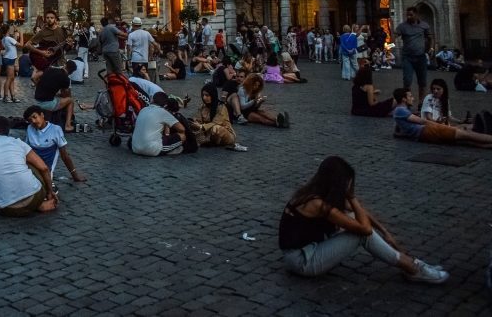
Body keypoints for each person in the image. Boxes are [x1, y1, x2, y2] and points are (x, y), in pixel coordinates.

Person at [278, 156, 448, 282]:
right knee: (359, 233)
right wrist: (352, 196)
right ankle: (412, 267)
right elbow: (365, 229)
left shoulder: (315, 191)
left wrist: (385, 232)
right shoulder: (316, 203)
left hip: (306, 250)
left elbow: (361, 214)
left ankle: (409, 263)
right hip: (301, 261)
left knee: (353, 218)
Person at [0, 115, 57, 219]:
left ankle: (35, 206)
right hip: (34, 198)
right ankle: (39, 205)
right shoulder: (18, 143)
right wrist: (49, 192)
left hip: (7, 208)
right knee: (30, 163)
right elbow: (44, 168)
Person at [393, 88, 492, 147]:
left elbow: (400, 128)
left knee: (465, 138)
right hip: (428, 130)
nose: (413, 98)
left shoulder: (400, 111)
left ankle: (481, 134)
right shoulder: (400, 110)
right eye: (410, 96)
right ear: (404, 99)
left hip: (426, 132)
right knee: (467, 135)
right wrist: (440, 125)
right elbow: (422, 121)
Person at [24, 105, 86, 182]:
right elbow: (26, 150)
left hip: (46, 170)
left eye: (35, 117)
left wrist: (75, 175)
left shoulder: (56, 130)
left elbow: (64, 155)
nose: (33, 121)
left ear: (42, 115)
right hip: (31, 167)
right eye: (30, 120)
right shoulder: (30, 128)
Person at [22, 11, 72, 84]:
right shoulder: (42, 32)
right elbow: (27, 45)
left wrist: (70, 45)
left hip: (61, 62)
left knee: (65, 90)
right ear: (45, 19)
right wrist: (41, 52)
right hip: (48, 64)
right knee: (48, 85)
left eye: (52, 18)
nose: (49, 19)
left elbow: (65, 48)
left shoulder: (62, 31)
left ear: (55, 19)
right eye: (47, 18)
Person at [129, 92, 185, 156]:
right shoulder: (163, 112)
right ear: (165, 105)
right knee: (182, 136)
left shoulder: (143, 109)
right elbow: (182, 129)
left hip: (135, 148)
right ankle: (169, 151)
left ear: (152, 100)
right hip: (152, 149)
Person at [190, 84, 240, 149]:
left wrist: (201, 126)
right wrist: (194, 123)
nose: (204, 98)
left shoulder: (221, 107)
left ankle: (208, 140)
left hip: (225, 133)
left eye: (207, 95)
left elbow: (216, 122)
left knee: (216, 128)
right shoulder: (202, 106)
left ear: (212, 95)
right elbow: (198, 120)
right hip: (207, 132)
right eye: (203, 95)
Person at [395, 7, 431, 94]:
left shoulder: (424, 25)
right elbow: (395, 36)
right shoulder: (402, 26)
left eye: (411, 15)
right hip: (407, 57)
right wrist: (390, 45)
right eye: (407, 15)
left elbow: (429, 37)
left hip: (421, 57)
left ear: (416, 14)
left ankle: (420, 102)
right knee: (407, 80)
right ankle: (407, 100)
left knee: (422, 82)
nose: (408, 17)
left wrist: (429, 49)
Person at [33, 60, 76, 132]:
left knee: (57, 98)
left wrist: (40, 86)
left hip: (36, 100)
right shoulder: (66, 79)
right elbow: (65, 95)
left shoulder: (50, 69)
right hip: (47, 104)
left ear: (65, 65)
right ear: (72, 72)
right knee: (70, 101)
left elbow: (34, 77)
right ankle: (67, 125)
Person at [0, 23, 20, 102]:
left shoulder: (5, 38)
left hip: (9, 58)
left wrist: (15, 31)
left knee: (12, 78)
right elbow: (21, 44)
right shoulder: (8, 38)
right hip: (10, 59)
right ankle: (5, 96)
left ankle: (13, 96)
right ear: (8, 29)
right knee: (9, 78)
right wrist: (20, 33)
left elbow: (14, 40)